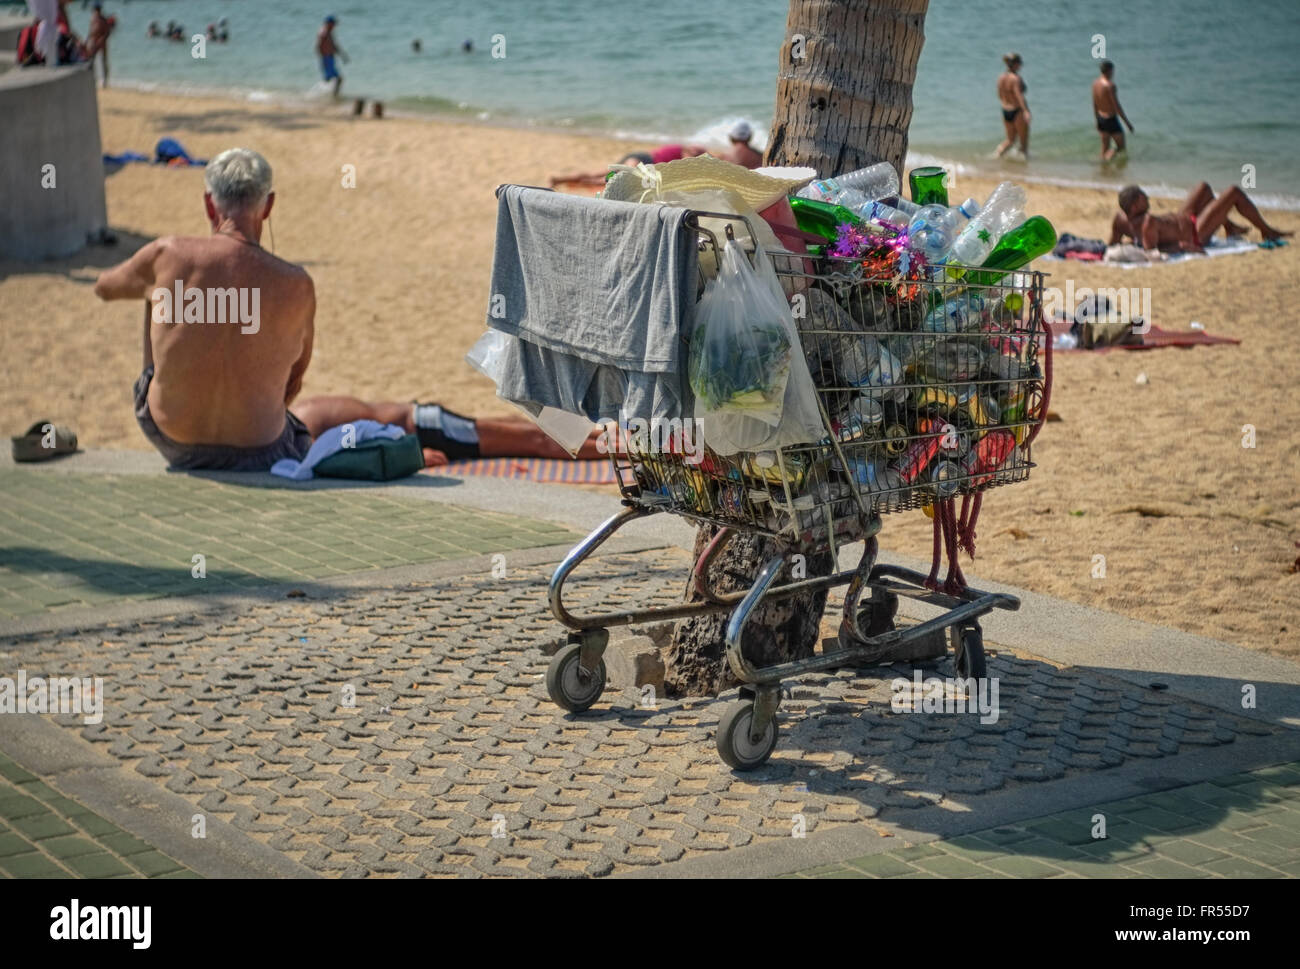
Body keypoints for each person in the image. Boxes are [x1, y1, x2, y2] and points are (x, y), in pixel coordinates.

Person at [92, 148, 609, 472]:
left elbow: (104, 288)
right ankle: (567, 441)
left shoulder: (166, 253)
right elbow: (291, 382)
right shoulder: (295, 283)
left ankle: (565, 440)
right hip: (262, 448)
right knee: (381, 414)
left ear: (210, 206)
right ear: (267, 206)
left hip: (171, 438)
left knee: (153, 291)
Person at [1111, 183, 1291, 253]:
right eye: (1143, 198)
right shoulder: (1147, 222)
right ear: (1134, 206)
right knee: (1233, 192)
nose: (1148, 198)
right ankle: (1267, 231)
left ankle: (1229, 227)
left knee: (1203, 188)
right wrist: (1183, 246)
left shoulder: (1121, 219)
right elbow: (1153, 251)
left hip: (1182, 220)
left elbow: (1111, 245)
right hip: (1195, 234)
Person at [549, 143, 707, 188]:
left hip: (637, 158)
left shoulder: (679, 149)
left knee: (601, 174)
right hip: (642, 160)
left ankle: (560, 180)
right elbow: (688, 162)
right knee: (608, 177)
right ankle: (587, 183)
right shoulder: (682, 151)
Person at [1091, 60, 1133, 161]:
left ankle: (1102, 171)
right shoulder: (1110, 86)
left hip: (1101, 118)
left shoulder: (1095, 83)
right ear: (1109, 71)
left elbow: (1095, 103)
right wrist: (1127, 123)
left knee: (1104, 149)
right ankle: (1110, 158)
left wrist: (1097, 120)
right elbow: (1117, 106)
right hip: (1111, 120)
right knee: (1121, 148)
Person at [994, 52, 1030, 160]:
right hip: (1017, 111)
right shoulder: (1016, 78)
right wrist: (1026, 111)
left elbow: (999, 94)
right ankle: (1024, 166)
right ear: (1015, 64)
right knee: (1023, 142)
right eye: (1020, 63)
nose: (1021, 66)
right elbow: (1019, 96)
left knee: (1010, 140)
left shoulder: (1001, 77)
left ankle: (997, 155)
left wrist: (1006, 103)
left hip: (1005, 110)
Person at [316, 15, 349, 98]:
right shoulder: (324, 32)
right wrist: (323, 58)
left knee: (334, 80)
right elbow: (319, 46)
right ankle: (324, 95)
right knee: (334, 80)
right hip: (327, 58)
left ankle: (331, 96)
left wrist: (342, 55)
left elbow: (334, 45)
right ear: (329, 23)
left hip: (330, 58)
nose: (334, 26)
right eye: (333, 24)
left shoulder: (329, 32)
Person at [84, 2, 114, 86]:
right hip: (94, 41)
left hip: (101, 42)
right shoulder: (93, 18)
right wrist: (87, 41)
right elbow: (91, 31)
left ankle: (105, 81)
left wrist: (101, 40)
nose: (96, 12)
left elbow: (107, 32)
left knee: (103, 61)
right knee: (91, 61)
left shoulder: (103, 19)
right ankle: (92, 79)